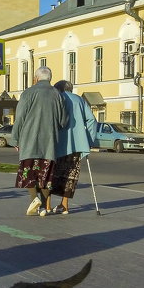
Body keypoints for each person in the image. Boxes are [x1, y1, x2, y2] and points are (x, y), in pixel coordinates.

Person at [12, 66, 67, 216]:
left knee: (29, 173)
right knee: (46, 176)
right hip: (50, 143)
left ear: (36, 78)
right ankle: (43, 207)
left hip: (29, 140)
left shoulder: (28, 93)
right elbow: (63, 121)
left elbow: (20, 118)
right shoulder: (57, 95)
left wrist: (15, 138)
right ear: (50, 78)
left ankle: (34, 198)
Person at [49, 80, 99, 215]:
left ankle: (47, 205)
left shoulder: (56, 98)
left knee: (51, 173)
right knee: (70, 175)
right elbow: (92, 120)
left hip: (57, 142)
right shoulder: (79, 100)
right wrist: (88, 138)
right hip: (77, 143)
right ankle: (64, 205)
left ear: (58, 89)